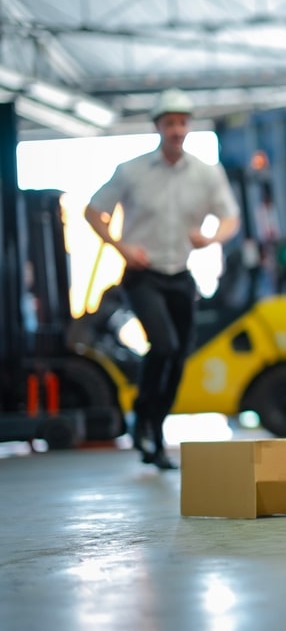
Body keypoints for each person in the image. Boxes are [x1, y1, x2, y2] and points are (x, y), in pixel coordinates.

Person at [84, 88, 240, 470]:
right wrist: (120, 247)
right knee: (164, 343)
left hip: (180, 275)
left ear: (188, 127)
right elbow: (93, 211)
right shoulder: (132, 172)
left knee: (180, 353)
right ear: (158, 126)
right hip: (143, 274)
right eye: (169, 122)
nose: (176, 129)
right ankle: (143, 418)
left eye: (182, 122)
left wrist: (211, 238)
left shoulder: (206, 174)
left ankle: (153, 426)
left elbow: (230, 218)